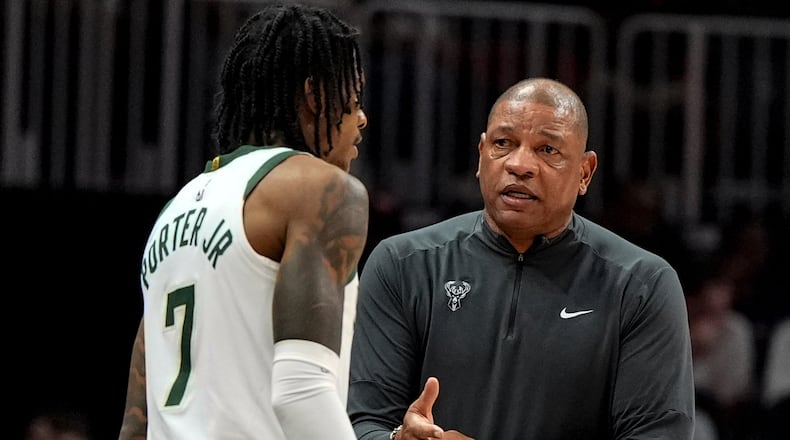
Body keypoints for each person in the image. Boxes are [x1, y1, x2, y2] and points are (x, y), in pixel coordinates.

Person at [348, 77, 695, 439]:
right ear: (481, 155)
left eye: (548, 150)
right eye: (503, 143)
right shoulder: (403, 264)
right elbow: (363, 422)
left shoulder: (642, 285)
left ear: (584, 172)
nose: (520, 164)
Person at [118, 3, 369, 439]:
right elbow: (301, 390)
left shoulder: (172, 211)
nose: (361, 117)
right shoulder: (320, 191)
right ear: (315, 96)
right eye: (355, 96)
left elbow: (136, 424)